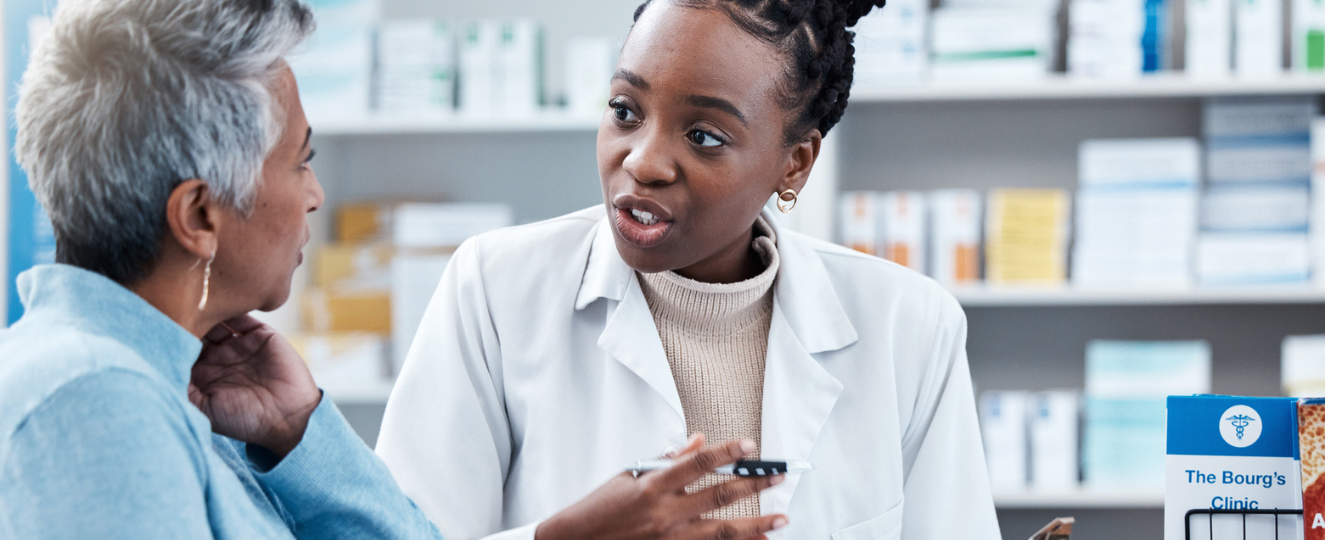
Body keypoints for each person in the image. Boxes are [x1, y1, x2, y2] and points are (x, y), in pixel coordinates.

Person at [0, 0, 786, 538]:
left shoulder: (177, 386)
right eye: (300, 160)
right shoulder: (92, 398)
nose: (314, 195)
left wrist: (299, 432)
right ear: (201, 216)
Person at [376, 0, 1004, 539]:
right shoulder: (495, 289)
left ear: (796, 164)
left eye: (703, 136)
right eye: (625, 110)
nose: (643, 161)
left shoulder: (910, 326)